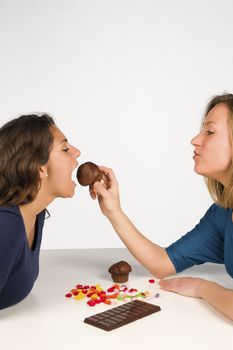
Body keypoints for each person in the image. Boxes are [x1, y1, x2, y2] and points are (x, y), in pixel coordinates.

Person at [90, 93, 233, 321]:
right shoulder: (222, 214)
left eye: (210, 131)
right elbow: (162, 263)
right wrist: (113, 211)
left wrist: (203, 288)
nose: (195, 139)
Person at [0, 114, 80, 309]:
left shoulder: (36, 213)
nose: (77, 152)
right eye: (65, 149)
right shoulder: (6, 225)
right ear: (40, 168)